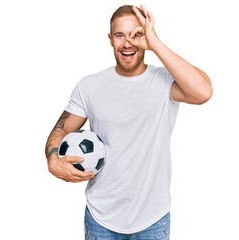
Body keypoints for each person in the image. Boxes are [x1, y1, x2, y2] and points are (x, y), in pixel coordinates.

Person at [45, 4, 212, 239]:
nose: (127, 43)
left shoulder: (164, 81)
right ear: (110, 39)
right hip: (101, 217)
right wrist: (53, 160)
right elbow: (59, 132)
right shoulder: (89, 86)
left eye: (136, 34)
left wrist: (156, 45)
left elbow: (203, 92)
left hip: (152, 218)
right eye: (120, 35)